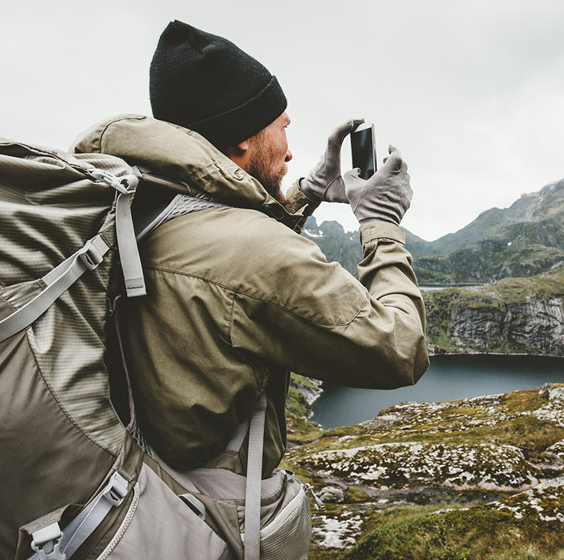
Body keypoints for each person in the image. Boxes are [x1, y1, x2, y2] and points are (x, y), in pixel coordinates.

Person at [72, 17, 429, 552]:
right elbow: (401, 348)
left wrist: (304, 192)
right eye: (282, 127)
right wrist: (380, 223)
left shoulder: (143, 205)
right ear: (243, 134)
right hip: (212, 516)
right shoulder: (248, 250)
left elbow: (230, 260)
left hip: (131, 481)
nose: (289, 149)